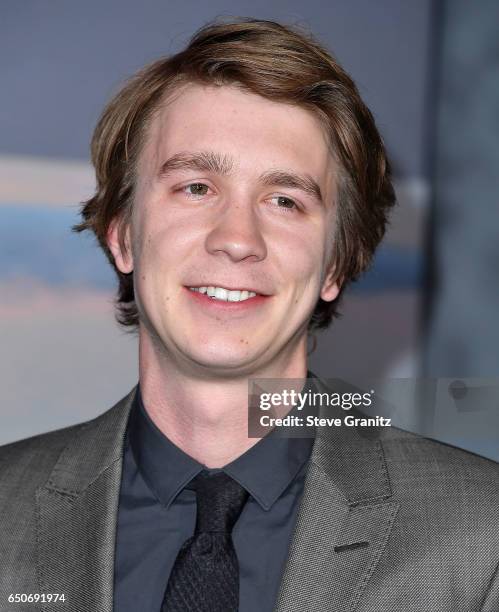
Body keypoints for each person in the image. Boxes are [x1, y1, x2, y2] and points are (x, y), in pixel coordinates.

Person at [0, 18, 498, 612]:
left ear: (336, 265)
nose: (238, 239)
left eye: (284, 200)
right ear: (122, 237)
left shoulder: (480, 539)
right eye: (195, 187)